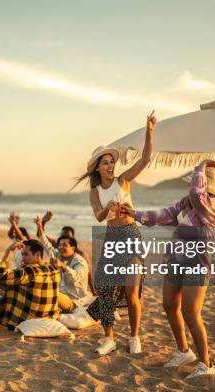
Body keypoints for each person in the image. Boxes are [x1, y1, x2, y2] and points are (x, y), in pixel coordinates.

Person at [121, 159, 215, 378]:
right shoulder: (187, 201)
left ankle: (206, 364)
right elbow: (164, 215)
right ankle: (184, 351)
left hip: (196, 264)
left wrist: (202, 165)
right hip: (175, 261)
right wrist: (134, 213)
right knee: (168, 305)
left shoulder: (211, 205)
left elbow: (197, 194)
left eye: (197, 180)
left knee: (191, 313)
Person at [74, 111, 157, 355]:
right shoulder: (95, 191)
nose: (111, 165)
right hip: (111, 239)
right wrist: (108, 210)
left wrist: (150, 131)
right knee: (105, 290)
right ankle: (109, 338)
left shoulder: (124, 181)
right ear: (98, 168)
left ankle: (134, 337)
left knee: (132, 292)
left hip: (131, 237)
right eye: (106, 162)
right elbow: (98, 216)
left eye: (112, 161)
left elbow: (145, 160)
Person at [35, 216, 90, 312]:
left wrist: (62, 265)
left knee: (48, 295)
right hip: (63, 295)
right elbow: (46, 244)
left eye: (64, 245)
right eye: (59, 245)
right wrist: (40, 226)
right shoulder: (58, 255)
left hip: (76, 300)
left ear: (73, 248)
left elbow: (76, 277)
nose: (60, 247)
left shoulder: (80, 261)